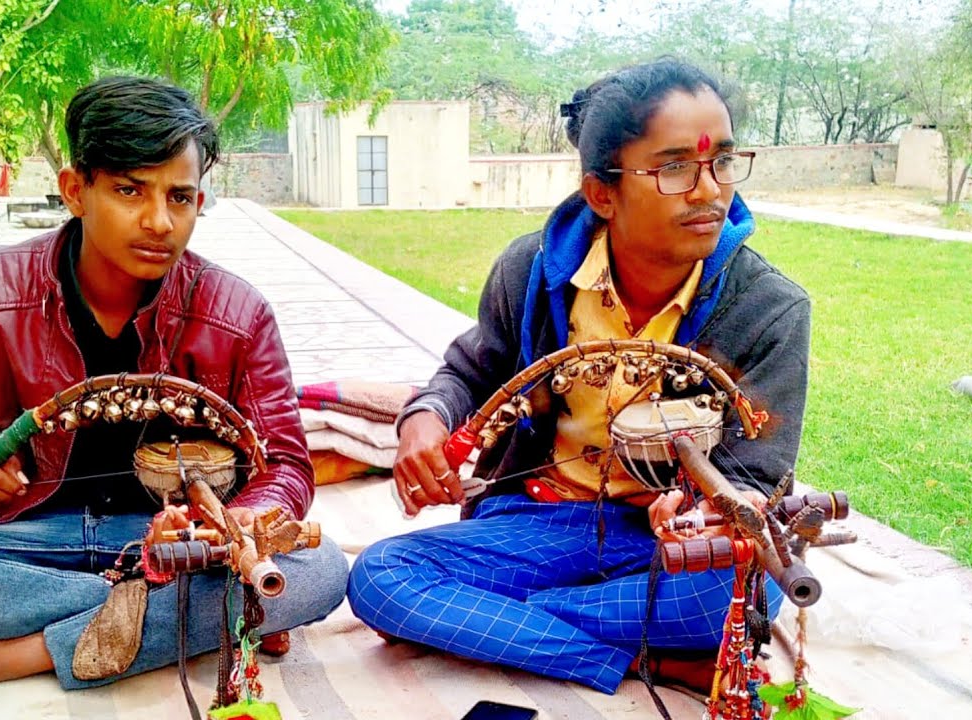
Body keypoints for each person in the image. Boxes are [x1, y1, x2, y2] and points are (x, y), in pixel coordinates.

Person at [0, 76, 348, 706]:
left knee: (321, 569)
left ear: (200, 200)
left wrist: (246, 519)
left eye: (180, 197)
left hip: (176, 546)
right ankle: (168, 616)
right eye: (129, 190)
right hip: (32, 542)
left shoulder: (238, 312)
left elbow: (284, 461)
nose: (159, 221)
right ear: (75, 190)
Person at [347, 58, 810, 695]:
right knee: (381, 578)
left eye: (723, 161)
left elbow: (754, 477)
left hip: (663, 546)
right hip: (536, 522)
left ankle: (492, 621)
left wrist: (705, 510)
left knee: (743, 589)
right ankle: (646, 659)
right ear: (602, 193)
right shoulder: (532, 272)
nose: (709, 190)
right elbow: (468, 371)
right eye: (676, 168)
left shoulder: (769, 308)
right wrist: (425, 418)